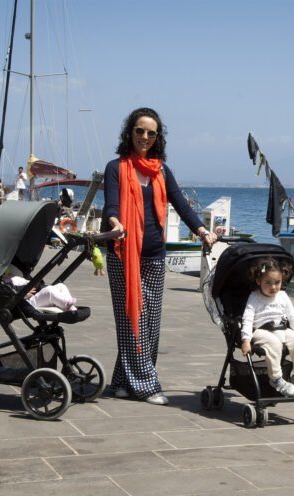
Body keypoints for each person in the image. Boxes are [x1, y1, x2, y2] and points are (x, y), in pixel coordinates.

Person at [104, 107, 216, 405]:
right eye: (139, 131)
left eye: (151, 133)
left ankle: (121, 382)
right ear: (130, 132)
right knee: (133, 319)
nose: (144, 137)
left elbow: (181, 204)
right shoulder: (116, 167)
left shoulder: (161, 170)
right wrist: (114, 223)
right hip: (124, 253)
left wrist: (201, 230)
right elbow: (111, 204)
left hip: (154, 254)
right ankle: (146, 385)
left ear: (157, 137)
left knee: (151, 323)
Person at [240, 258, 294, 397]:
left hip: (282, 329)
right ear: (258, 281)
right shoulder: (254, 297)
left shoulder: (282, 296)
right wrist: (246, 340)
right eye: (268, 283)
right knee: (274, 343)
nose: (273, 287)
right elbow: (247, 320)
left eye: (277, 282)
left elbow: (293, 317)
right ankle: (276, 379)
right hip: (261, 331)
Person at [4, 265, 77, 311]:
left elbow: (28, 281)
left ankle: (69, 303)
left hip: (35, 290)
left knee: (61, 285)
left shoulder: (18, 277)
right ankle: (66, 305)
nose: (10, 274)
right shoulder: (8, 283)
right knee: (50, 291)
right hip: (30, 300)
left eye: (9, 273)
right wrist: (26, 293)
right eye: (8, 274)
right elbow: (13, 293)